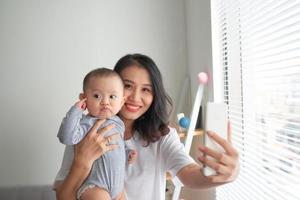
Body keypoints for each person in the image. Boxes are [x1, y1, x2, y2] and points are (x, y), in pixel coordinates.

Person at [54, 54, 240, 200]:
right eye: (128, 86)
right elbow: (63, 196)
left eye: (146, 89)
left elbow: (189, 173)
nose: (135, 97)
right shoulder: (86, 131)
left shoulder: (163, 136)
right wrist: (82, 162)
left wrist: (225, 174)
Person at [54, 68, 137, 200]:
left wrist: (128, 153)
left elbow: (117, 146)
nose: (105, 101)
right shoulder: (86, 123)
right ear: (84, 99)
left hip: (118, 188)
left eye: (112, 97)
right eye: (97, 96)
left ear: (121, 101)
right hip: (96, 187)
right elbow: (66, 137)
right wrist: (76, 111)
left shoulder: (118, 124)